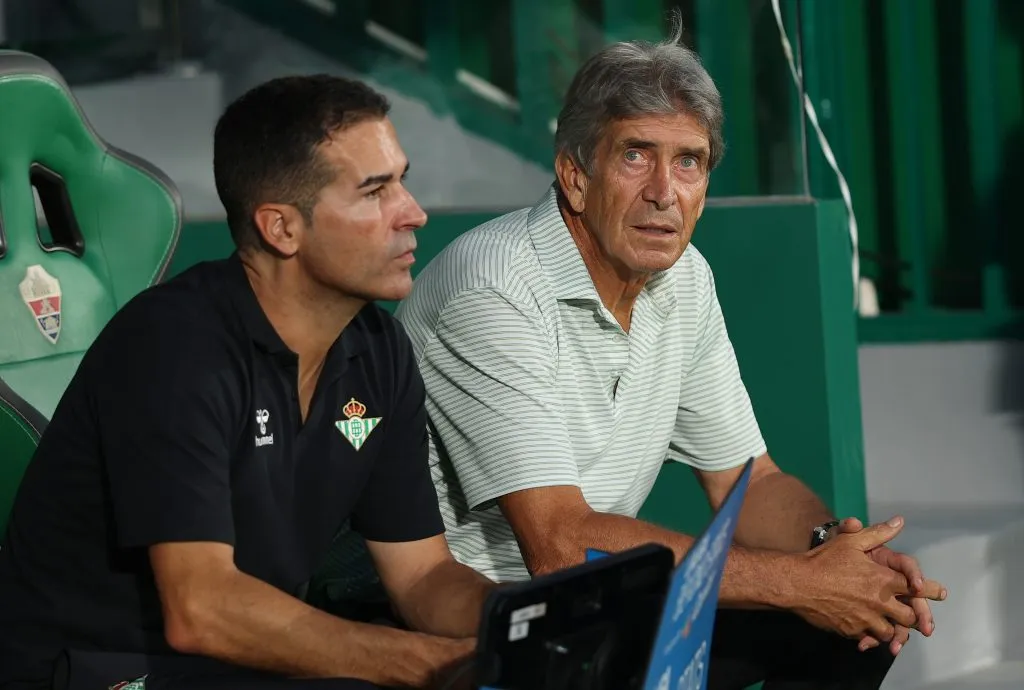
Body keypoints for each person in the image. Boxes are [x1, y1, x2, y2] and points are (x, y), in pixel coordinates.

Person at [394, 18, 947, 690]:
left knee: (861, 624)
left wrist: (838, 554)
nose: (664, 191)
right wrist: (800, 582)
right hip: (496, 620)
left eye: (688, 161)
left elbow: (752, 482)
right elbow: (559, 544)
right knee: (802, 604)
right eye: (636, 155)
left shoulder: (684, 279)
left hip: (607, 602)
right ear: (574, 175)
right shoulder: (492, 290)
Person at [0, 75, 493, 690]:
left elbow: (421, 578)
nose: (412, 212)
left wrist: (521, 628)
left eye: (403, 180)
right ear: (280, 228)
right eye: (375, 192)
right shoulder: (174, 346)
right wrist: (416, 663)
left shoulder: (379, 349)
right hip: (104, 670)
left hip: (241, 665)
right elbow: (200, 610)